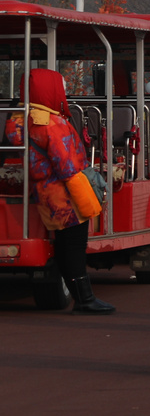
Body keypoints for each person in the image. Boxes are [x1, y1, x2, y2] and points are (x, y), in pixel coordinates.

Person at [3, 68, 114, 313]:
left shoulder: (17, 119)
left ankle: (82, 297)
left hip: (43, 192)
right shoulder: (51, 123)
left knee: (64, 246)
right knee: (73, 246)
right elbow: (68, 166)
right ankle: (84, 300)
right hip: (65, 195)